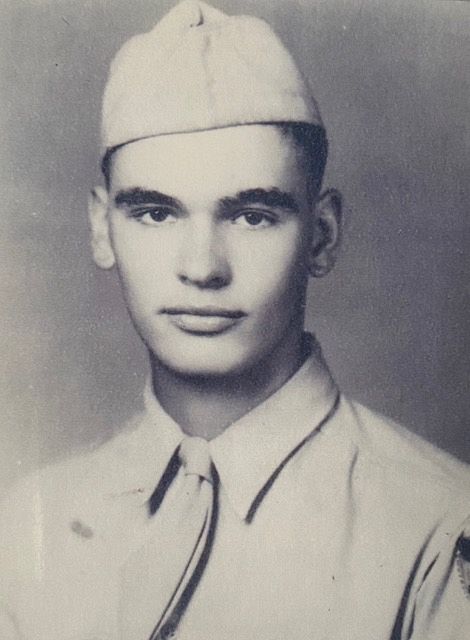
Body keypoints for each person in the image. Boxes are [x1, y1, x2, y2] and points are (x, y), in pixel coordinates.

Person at [1, 1, 469, 638]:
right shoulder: (26, 527)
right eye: (155, 213)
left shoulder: (439, 530)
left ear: (323, 235)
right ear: (102, 227)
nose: (202, 268)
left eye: (252, 216)